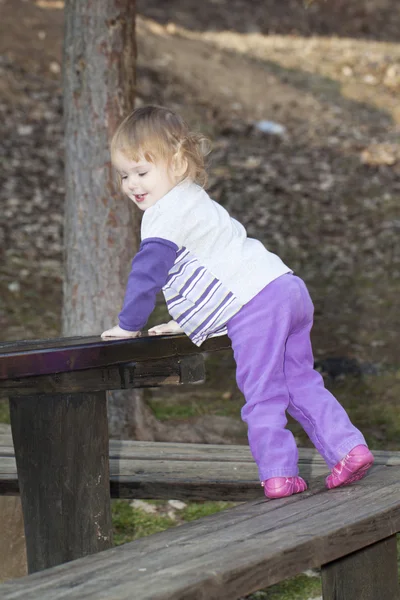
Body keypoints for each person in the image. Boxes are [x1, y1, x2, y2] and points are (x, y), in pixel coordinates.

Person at [101, 105, 374, 499]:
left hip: (257, 305)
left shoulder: (162, 215)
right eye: (125, 175)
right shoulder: (195, 199)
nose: (132, 184)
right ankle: (349, 449)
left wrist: (129, 325)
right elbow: (217, 263)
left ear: (177, 164)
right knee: (299, 379)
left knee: (262, 392)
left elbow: (147, 275)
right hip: (285, 287)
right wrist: (191, 319)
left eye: (142, 173)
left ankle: (279, 473)